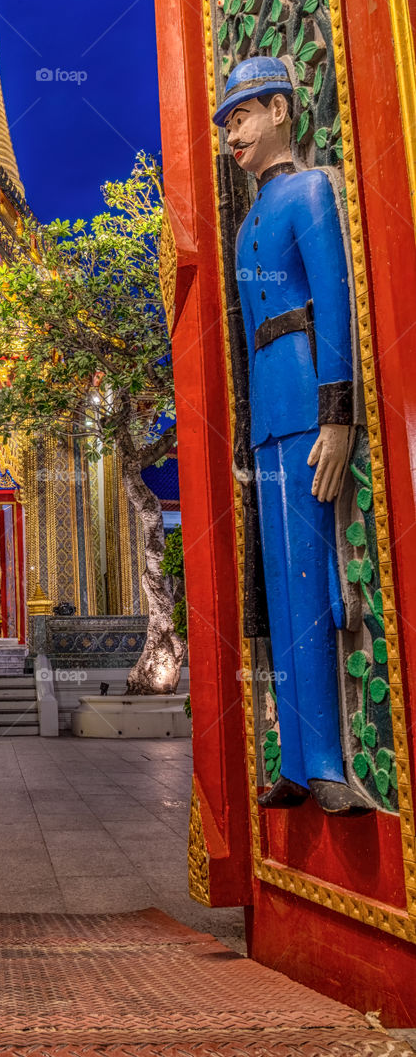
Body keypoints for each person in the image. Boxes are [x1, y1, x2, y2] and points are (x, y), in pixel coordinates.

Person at [213, 55, 369, 816]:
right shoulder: (243, 227)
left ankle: (330, 761)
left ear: (280, 109)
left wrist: (339, 415)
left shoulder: (310, 193)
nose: (232, 132)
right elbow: (243, 348)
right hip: (270, 420)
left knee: (314, 583)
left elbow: (335, 304)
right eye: (225, 121)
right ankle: (296, 763)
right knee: (277, 593)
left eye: (241, 115)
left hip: (310, 406)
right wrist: (245, 441)